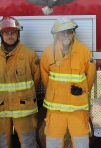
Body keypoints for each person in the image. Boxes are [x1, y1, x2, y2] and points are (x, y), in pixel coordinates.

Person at [40, 17, 96, 148]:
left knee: (81, 141)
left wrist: (81, 91)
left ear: (73, 33)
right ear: (56, 34)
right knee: (53, 141)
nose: (66, 35)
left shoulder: (84, 51)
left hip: (77, 108)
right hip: (55, 109)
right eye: (62, 32)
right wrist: (55, 91)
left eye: (69, 31)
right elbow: (45, 77)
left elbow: (90, 77)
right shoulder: (48, 51)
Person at [0, 16, 41, 148]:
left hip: (24, 109)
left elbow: (36, 78)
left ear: (18, 33)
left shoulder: (29, 54)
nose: (10, 36)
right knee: (0, 143)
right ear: (1, 35)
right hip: (1, 109)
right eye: (6, 33)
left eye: (13, 32)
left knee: (28, 143)